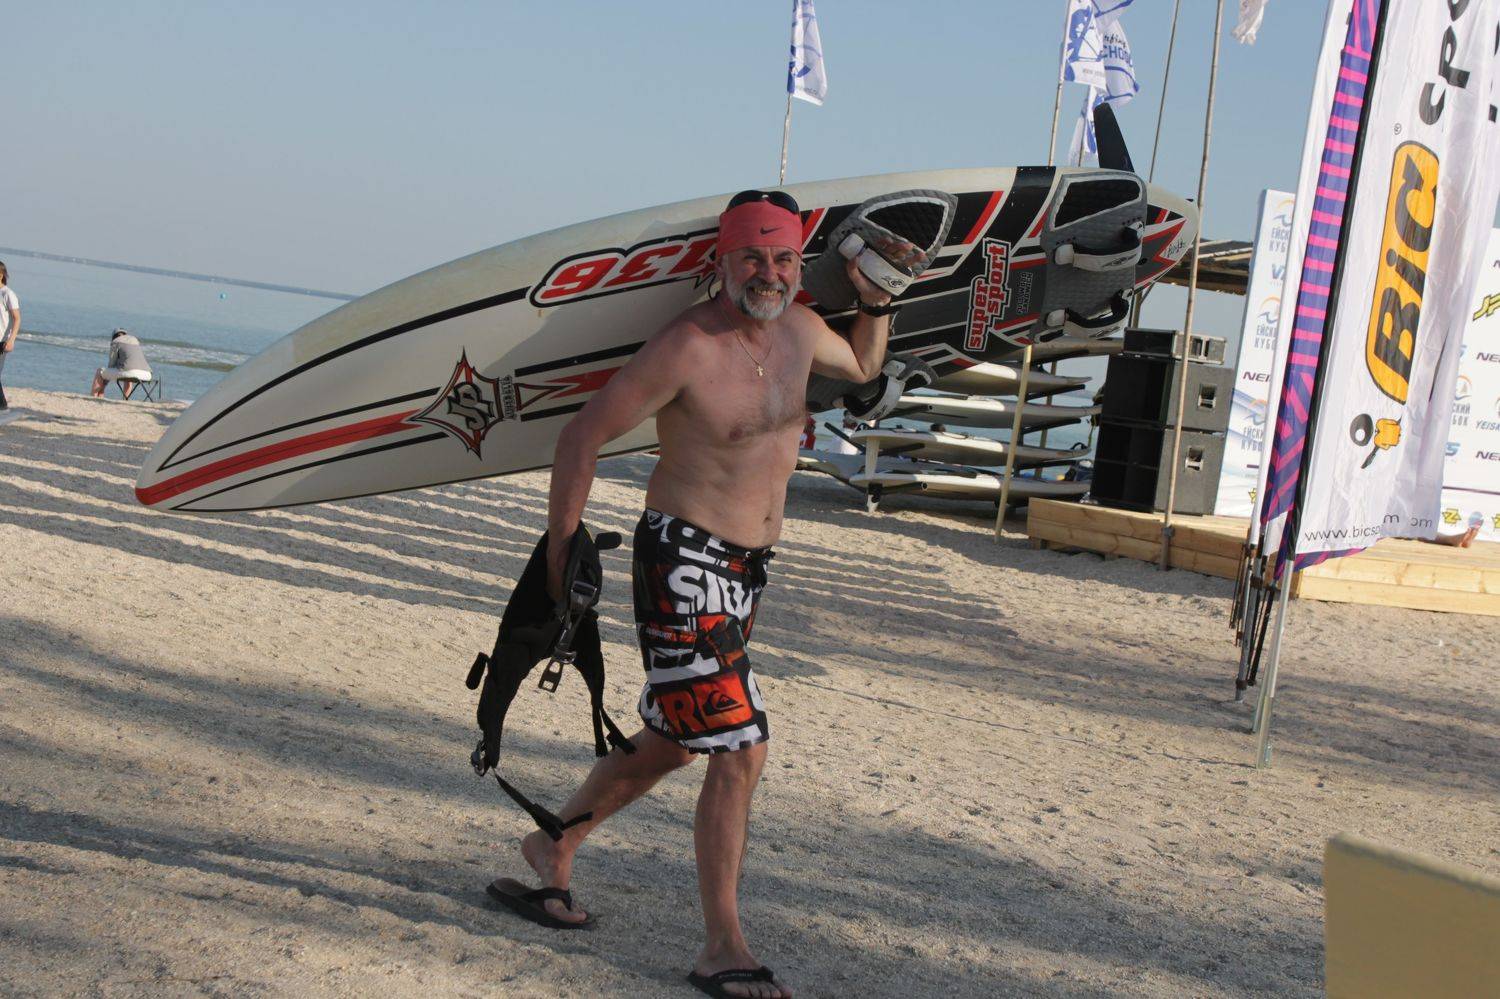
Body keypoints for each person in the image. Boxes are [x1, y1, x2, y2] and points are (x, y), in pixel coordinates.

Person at [497, 191, 907, 999]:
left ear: (800, 265)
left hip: (748, 571)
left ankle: (553, 847)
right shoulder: (687, 345)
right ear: (722, 261)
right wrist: (561, 550)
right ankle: (723, 946)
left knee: (676, 740)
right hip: (681, 560)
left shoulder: (800, 332)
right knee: (740, 746)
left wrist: (878, 301)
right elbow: (582, 434)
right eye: (752, 256)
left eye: (784, 258)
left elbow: (862, 366)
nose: (769, 272)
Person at [90, 328, 154, 399]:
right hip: (147, 374)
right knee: (128, 373)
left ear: (113, 337)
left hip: (131, 373)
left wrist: (105, 382)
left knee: (100, 371)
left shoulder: (116, 342)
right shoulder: (135, 341)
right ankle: (125, 399)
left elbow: (111, 364)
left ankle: (93, 397)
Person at [0, 261, 20, 410]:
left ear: (1, 275)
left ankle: (3, 406)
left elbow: (17, 318)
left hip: (2, 341)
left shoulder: (8, 294)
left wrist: (11, 340)